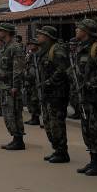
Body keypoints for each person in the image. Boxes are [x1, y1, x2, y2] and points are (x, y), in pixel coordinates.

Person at [72, 19, 97, 176]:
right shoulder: (81, 48)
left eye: (79, 28)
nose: (76, 31)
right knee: (87, 130)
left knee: (96, 130)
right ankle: (92, 160)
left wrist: (90, 85)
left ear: (86, 31)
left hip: (96, 98)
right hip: (84, 98)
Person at [35, 26, 70, 164]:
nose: (38, 37)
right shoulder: (44, 51)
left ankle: (62, 152)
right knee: (48, 123)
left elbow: (62, 69)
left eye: (41, 35)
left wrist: (49, 82)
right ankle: (56, 149)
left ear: (48, 36)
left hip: (57, 93)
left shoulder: (57, 49)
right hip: (47, 93)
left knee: (56, 123)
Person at [0, 23, 26, 150]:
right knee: (7, 113)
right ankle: (15, 138)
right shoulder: (2, 48)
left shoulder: (15, 47)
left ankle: (19, 140)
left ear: (8, 32)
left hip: (11, 87)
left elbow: (18, 69)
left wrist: (15, 86)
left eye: (1, 30)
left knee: (14, 113)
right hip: (2, 86)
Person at [24, 38, 41, 126]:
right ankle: (33, 117)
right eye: (29, 44)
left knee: (35, 100)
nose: (30, 46)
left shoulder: (38, 55)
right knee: (29, 99)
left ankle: (36, 118)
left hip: (35, 81)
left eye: (32, 44)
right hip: (29, 80)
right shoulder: (29, 55)